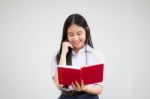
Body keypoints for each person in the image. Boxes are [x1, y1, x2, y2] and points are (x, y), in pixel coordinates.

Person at [51, 14, 105, 99]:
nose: (75, 39)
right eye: (71, 35)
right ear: (66, 35)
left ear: (86, 31)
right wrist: (63, 54)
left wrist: (85, 88)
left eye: (79, 34)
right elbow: (59, 84)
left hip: (89, 97)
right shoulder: (58, 55)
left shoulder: (96, 55)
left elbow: (100, 89)